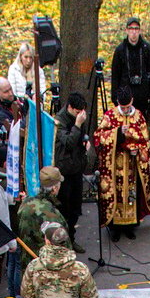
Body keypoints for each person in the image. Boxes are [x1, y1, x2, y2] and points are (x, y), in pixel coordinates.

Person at [96, 100, 150, 239]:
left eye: (128, 107)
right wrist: (117, 132)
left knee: (131, 193)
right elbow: (99, 137)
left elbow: (145, 141)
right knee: (117, 193)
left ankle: (130, 226)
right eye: (123, 107)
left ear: (132, 102)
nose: (126, 110)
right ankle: (115, 228)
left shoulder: (139, 116)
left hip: (132, 165)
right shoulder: (110, 116)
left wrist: (137, 150)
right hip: (115, 166)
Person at [53, 95, 92, 231]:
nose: (80, 115)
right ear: (70, 107)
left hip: (77, 166)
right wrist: (77, 125)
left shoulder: (80, 116)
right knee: (65, 207)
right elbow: (68, 143)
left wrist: (85, 142)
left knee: (76, 206)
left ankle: (72, 236)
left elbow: (80, 137)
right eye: (77, 112)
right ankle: (64, 238)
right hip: (65, 168)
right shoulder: (60, 120)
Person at [14, 168, 68, 256]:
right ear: (54, 189)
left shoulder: (26, 203)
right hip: (45, 265)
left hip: (28, 262)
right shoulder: (54, 215)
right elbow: (64, 248)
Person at [112, 17, 150, 109]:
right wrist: (115, 99)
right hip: (125, 99)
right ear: (126, 30)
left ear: (140, 31)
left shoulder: (147, 49)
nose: (133, 32)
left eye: (136, 29)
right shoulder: (120, 50)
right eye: (131, 28)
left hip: (143, 98)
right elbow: (115, 77)